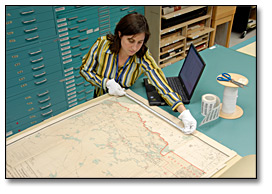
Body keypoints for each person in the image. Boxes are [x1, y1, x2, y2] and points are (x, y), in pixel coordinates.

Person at [80, 13, 196, 134]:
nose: (134, 48)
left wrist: (183, 112)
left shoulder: (142, 56)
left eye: (140, 42)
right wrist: (105, 83)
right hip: (100, 102)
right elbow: (85, 70)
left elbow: (161, 83)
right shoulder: (102, 45)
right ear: (120, 34)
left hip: (123, 106)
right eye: (131, 41)